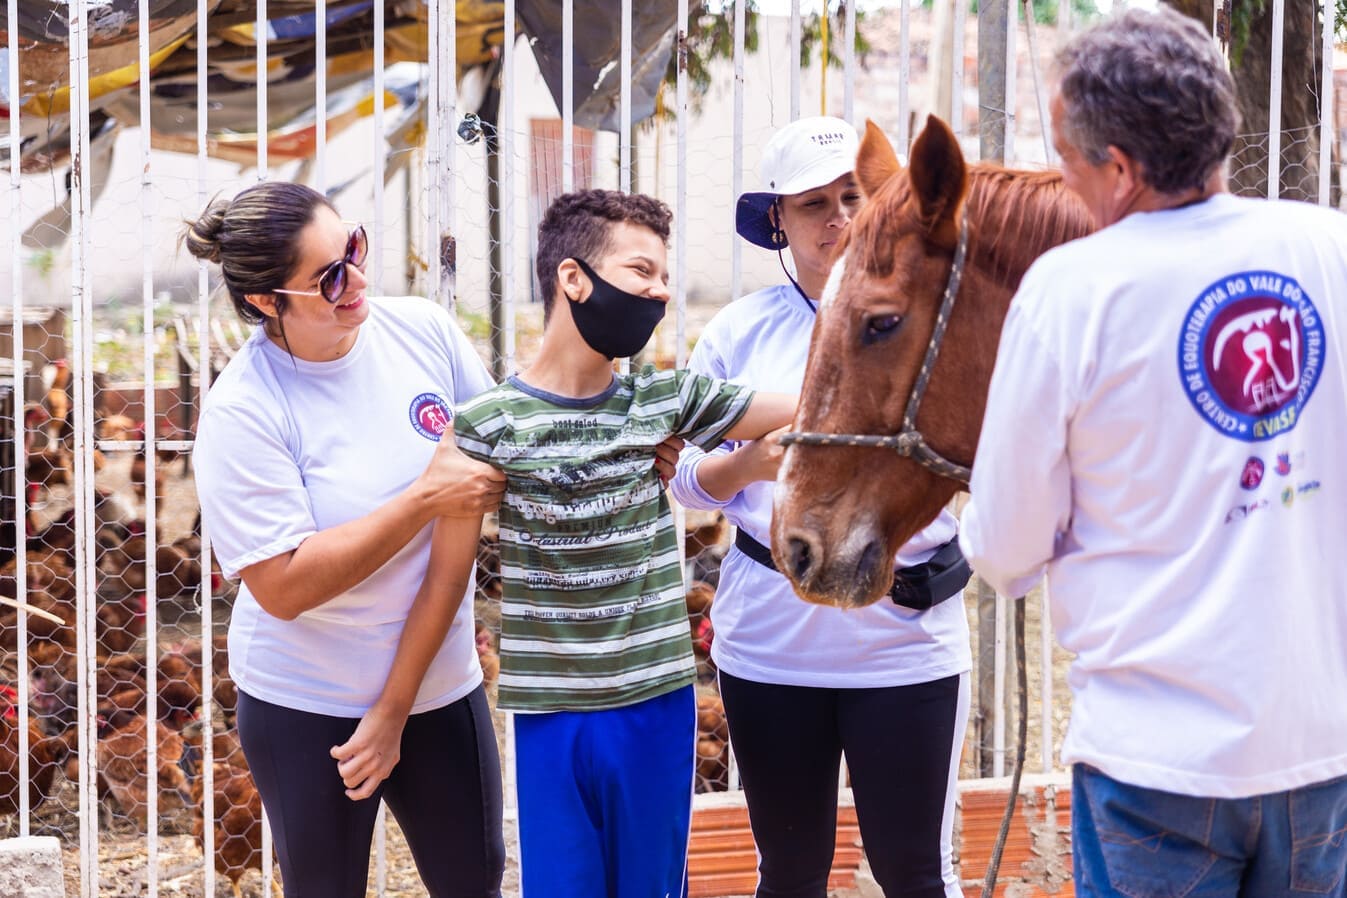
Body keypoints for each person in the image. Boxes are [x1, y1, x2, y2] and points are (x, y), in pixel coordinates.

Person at [960, 9, 1347, 896]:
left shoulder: (1071, 289)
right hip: (1320, 742)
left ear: (1121, 170)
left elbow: (1005, 547)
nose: (1061, 176)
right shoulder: (1326, 247)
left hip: (1157, 764)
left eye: (1064, 156)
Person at [452, 188, 796, 898]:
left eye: (665, 277)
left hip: (654, 702)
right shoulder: (488, 424)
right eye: (642, 272)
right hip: (549, 715)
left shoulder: (662, 400)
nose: (660, 293)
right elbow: (444, 568)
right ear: (572, 279)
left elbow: (806, 403)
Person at [669, 116, 974, 898]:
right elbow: (681, 478)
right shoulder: (740, 332)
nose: (839, 217)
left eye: (852, 195)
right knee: (790, 872)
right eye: (812, 203)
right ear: (776, 218)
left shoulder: (933, 325)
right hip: (772, 640)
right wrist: (749, 464)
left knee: (916, 873)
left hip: (904, 639)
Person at [186, 181, 508, 898]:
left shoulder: (421, 330)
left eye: (354, 249)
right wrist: (424, 496)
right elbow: (284, 586)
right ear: (269, 302)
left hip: (438, 681)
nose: (357, 280)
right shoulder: (246, 408)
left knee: (474, 881)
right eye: (328, 276)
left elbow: (499, 453)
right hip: (308, 703)